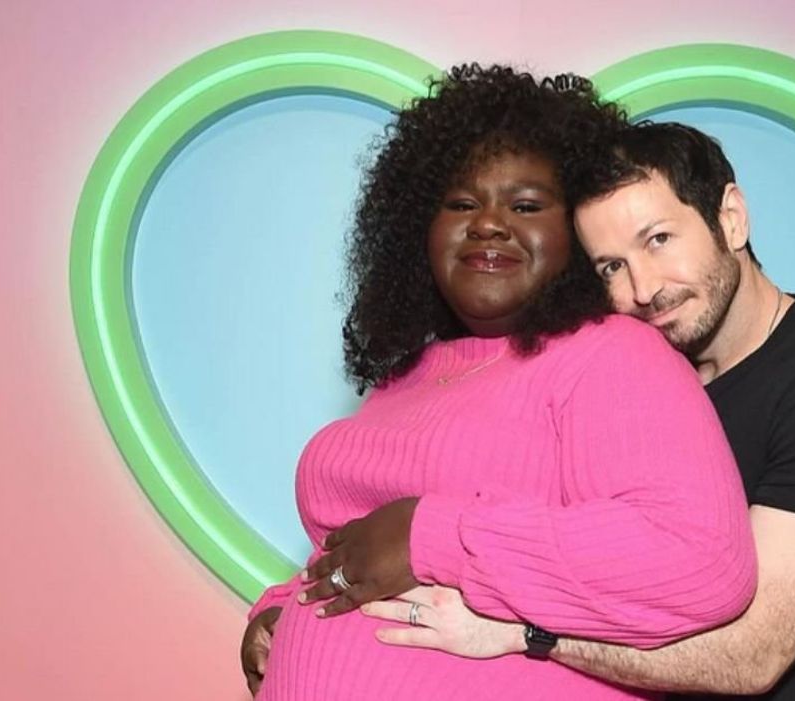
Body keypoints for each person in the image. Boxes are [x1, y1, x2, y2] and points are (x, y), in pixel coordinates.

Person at [238, 68, 758, 700]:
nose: (488, 223)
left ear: (576, 238)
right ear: (416, 231)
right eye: (461, 203)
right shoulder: (409, 375)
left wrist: (433, 536)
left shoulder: (612, 355)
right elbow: (365, 550)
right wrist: (286, 609)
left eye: (526, 206)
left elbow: (697, 562)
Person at [360, 122, 795, 700]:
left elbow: (753, 655)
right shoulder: (635, 383)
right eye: (610, 266)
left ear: (730, 218)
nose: (644, 287)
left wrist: (525, 633)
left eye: (658, 239)